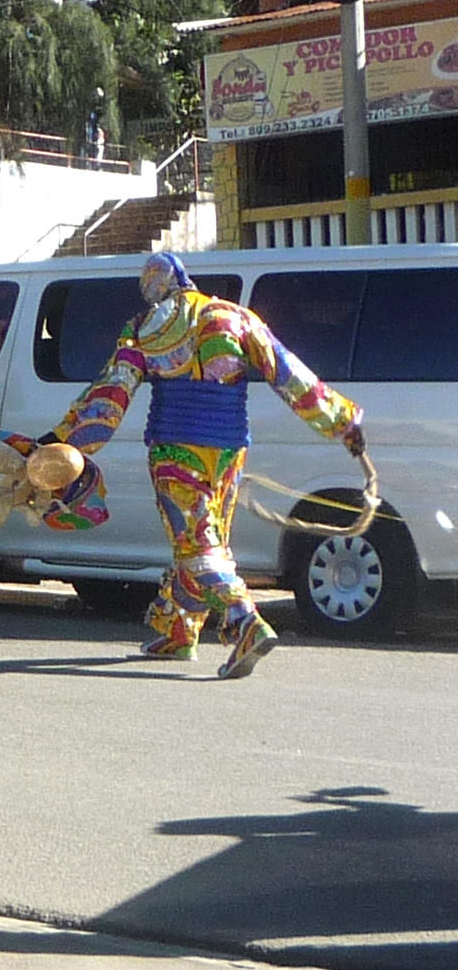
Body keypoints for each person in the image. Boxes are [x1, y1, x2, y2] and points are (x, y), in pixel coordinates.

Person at [43, 250, 366, 679]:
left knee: (196, 542)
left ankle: (245, 623)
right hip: (230, 448)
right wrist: (342, 421)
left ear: (152, 288)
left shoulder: (143, 329)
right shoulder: (236, 317)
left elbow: (110, 396)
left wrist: (61, 441)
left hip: (176, 450)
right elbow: (288, 374)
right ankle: (177, 630)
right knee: (203, 537)